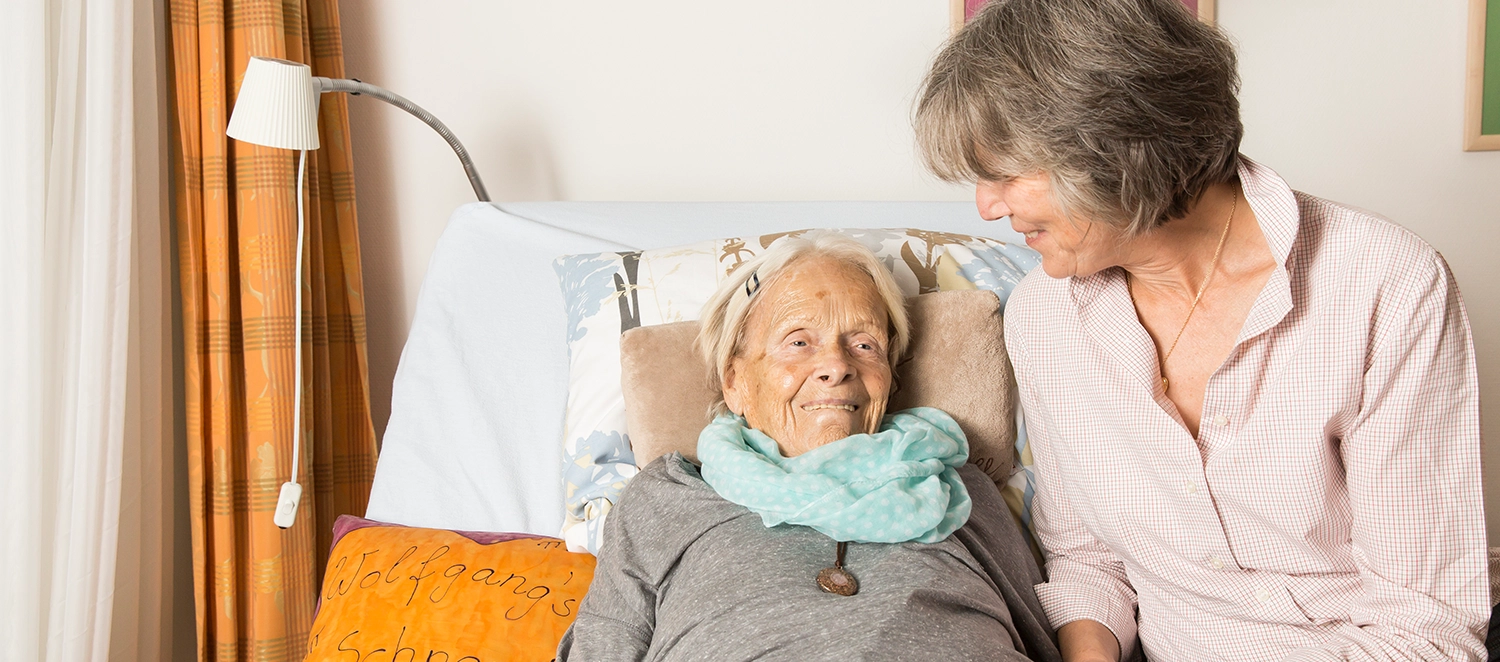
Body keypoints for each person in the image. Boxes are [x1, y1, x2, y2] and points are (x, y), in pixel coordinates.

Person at [913, 0, 1488, 660]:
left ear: (1116, 147)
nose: (987, 207)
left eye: (1008, 174)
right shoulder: (1044, 315)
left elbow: (1428, 628)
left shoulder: (1385, 285)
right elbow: (1087, 560)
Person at [557, 233, 1062, 661]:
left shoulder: (955, 485)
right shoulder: (668, 496)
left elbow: (1045, 641)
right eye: (798, 342)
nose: (837, 366)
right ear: (736, 383)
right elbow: (602, 648)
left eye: (865, 344)